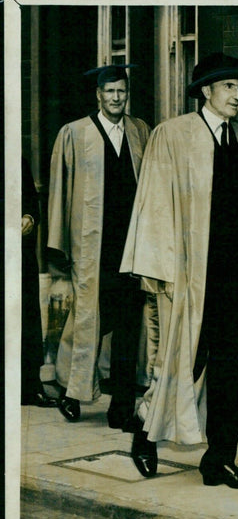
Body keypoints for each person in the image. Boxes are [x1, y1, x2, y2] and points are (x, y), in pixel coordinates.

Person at [121, 52, 238, 486]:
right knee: (181, 361)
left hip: (234, 273)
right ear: (206, 91)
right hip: (189, 272)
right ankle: (145, 431)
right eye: (229, 86)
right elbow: (153, 202)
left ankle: (220, 458)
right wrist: (155, 268)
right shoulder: (172, 135)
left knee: (230, 363)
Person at [47, 64, 151, 429]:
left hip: (132, 250)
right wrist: (59, 250)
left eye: (122, 91)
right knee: (88, 322)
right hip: (92, 251)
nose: (116, 98)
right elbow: (60, 192)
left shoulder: (140, 131)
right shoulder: (74, 134)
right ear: (98, 95)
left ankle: (121, 407)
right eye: (110, 92)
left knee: (128, 328)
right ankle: (71, 390)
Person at [21, 158, 57, 408]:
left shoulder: (17, 158)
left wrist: (29, 217)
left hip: (18, 251)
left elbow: (31, 200)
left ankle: (29, 387)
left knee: (26, 316)